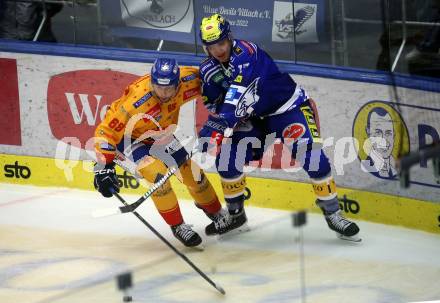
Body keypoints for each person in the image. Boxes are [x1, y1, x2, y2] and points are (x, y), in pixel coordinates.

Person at [197, 14, 360, 241]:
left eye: (221, 43)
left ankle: (334, 213)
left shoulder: (246, 52)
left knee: (313, 158)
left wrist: (222, 119)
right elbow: (215, 102)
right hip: (255, 117)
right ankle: (236, 215)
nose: (218, 50)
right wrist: (215, 124)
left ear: (230, 38)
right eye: (212, 46)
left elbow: (239, 91)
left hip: (287, 107)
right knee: (226, 158)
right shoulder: (207, 70)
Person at [93, 58, 229, 247]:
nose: (164, 93)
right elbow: (105, 132)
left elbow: (214, 82)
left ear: (178, 84)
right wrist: (103, 164)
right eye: (159, 87)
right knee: (157, 176)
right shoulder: (136, 102)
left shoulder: (188, 79)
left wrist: (227, 112)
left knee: (193, 174)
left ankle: (216, 212)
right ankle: (178, 226)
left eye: (169, 88)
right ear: (151, 82)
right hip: (131, 138)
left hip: (161, 134)